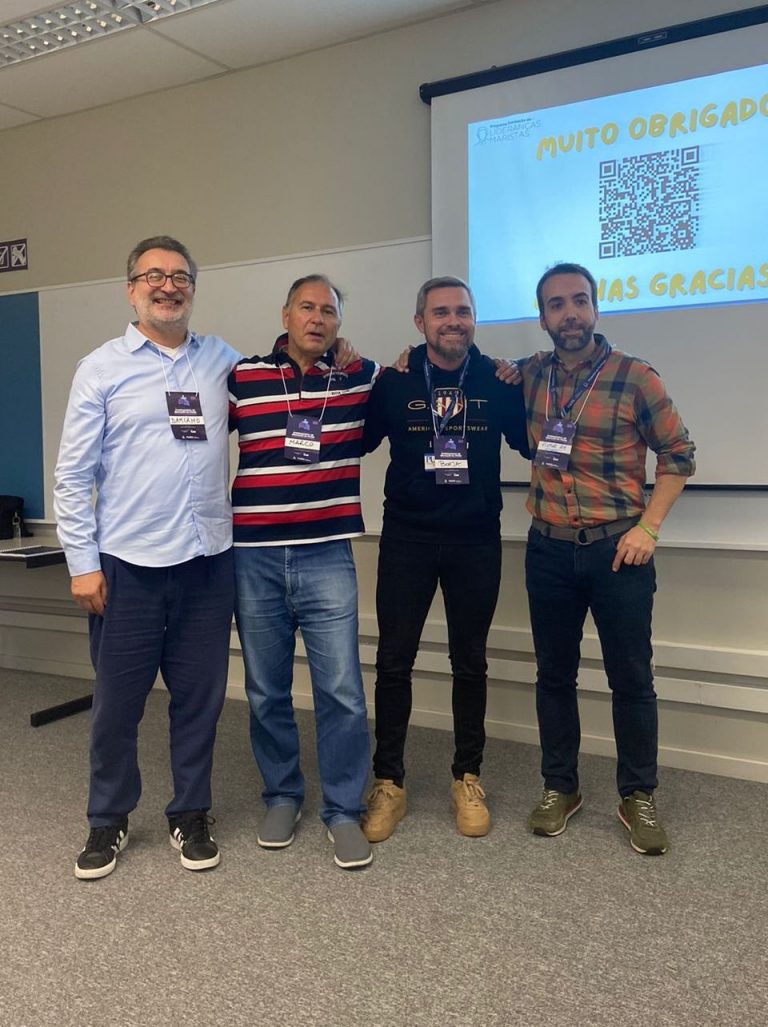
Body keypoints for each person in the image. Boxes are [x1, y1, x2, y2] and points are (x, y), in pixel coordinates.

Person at [55, 236, 241, 879]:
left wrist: (339, 352)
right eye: (153, 275)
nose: (168, 286)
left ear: (193, 287)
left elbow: (282, 384)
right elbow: (73, 476)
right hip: (125, 568)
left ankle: (190, 812)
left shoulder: (221, 360)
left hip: (207, 564)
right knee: (117, 705)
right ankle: (107, 819)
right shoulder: (100, 368)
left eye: (180, 276)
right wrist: (81, 564)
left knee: (199, 701)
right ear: (130, 289)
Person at [523, 262, 695, 855]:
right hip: (547, 549)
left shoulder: (635, 376)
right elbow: (460, 362)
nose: (569, 313)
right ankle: (560, 787)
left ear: (595, 307)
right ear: (542, 317)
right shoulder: (529, 374)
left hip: (619, 551)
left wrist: (649, 526)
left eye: (579, 301)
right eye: (556, 304)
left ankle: (637, 795)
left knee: (632, 678)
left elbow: (679, 455)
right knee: (553, 675)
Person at [360, 276, 529, 842]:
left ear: (474, 318)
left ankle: (467, 777)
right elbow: (357, 440)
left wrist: (525, 375)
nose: (453, 321)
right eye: (440, 312)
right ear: (420, 323)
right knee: (393, 662)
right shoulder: (396, 380)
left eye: (462, 311)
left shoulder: (498, 381)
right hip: (406, 539)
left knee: (470, 662)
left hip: (475, 540)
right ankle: (389, 782)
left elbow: (532, 444)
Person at [228, 274, 380, 870]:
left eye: (329, 311)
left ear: (339, 324)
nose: (318, 318)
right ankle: (282, 794)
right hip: (254, 557)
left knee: (341, 691)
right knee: (265, 688)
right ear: (286, 315)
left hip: (326, 556)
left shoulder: (360, 377)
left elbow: (418, 375)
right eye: (307, 308)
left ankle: (342, 809)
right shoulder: (242, 377)